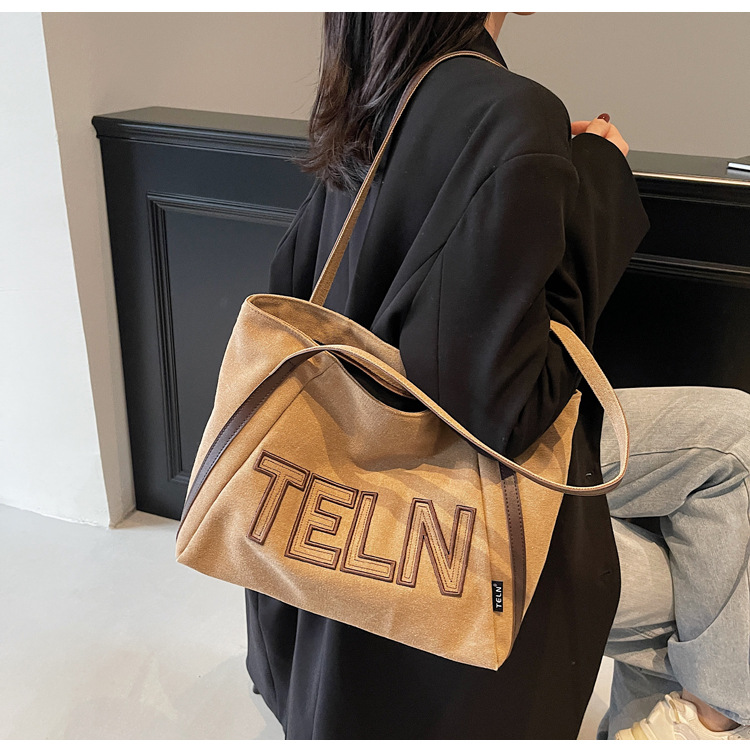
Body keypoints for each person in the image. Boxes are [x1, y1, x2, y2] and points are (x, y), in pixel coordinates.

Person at [243, 12, 649, 739]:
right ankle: (703, 711)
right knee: (731, 464)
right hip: (460, 536)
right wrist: (599, 181)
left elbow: (298, 286)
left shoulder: (369, 91)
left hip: (334, 513)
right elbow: (507, 412)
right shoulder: (513, 112)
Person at [599, 386, 750, 740]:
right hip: (493, 445)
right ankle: (710, 719)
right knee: (737, 436)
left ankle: (697, 719)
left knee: (710, 596)